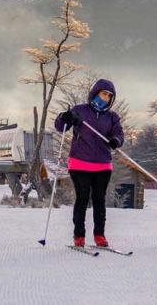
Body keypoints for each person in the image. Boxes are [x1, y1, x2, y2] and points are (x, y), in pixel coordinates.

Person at [54, 79, 124, 248]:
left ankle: (99, 235)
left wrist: (115, 141)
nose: (106, 98)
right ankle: (79, 235)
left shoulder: (112, 117)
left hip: (102, 164)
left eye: (109, 96)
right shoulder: (80, 111)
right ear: (95, 93)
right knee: (83, 198)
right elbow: (61, 127)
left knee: (99, 199)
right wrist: (64, 117)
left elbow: (119, 134)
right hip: (80, 163)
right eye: (103, 94)